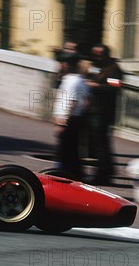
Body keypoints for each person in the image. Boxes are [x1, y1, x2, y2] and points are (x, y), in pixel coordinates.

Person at [85, 44, 123, 185]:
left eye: (98, 55)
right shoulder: (96, 67)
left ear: (106, 55)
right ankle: (107, 171)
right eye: (94, 55)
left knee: (101, 144)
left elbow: (116, 85)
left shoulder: (113, 69)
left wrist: (97, 86)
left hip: (103, 112)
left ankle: (102, 175)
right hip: (93, 110)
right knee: (99, 144)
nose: (95, 58)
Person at [53, 53, 90, 181]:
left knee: (64, 153)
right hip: (75, 119)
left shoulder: (71, 81)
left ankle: (61, 177)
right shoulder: (81, 80)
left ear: (66, 64)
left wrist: (62, 122)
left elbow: (71, 102)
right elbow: (86, 102)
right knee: (72, 152)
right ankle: (78, 176)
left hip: (68, 121)